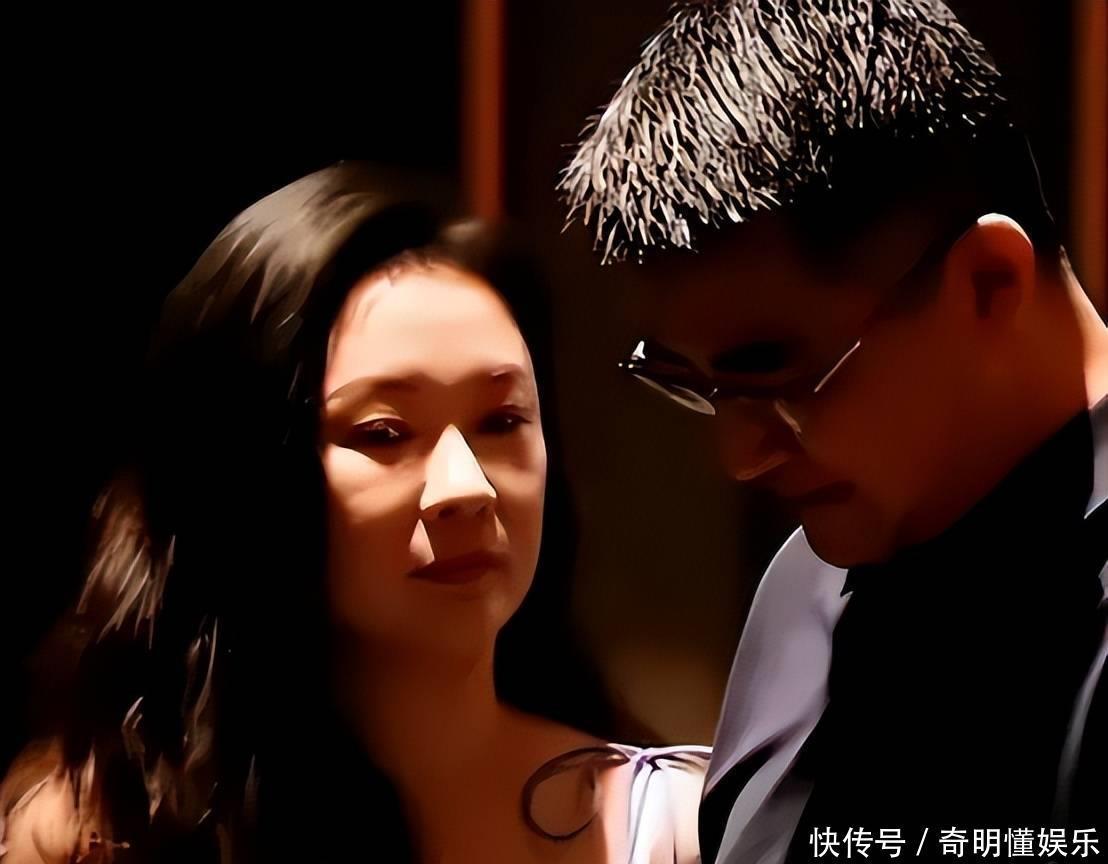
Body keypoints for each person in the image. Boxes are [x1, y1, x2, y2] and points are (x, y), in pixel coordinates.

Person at [0, 163, 707, 863]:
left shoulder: (673, 827)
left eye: (502, 420)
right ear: (247, 472)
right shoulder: (103, 836)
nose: (466, 487)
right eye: (384, 433)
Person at [560, 1, 1108, 861]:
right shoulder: (802, 585)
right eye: (696, 385)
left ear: (989, 284)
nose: (740, 458)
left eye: (780, 378)